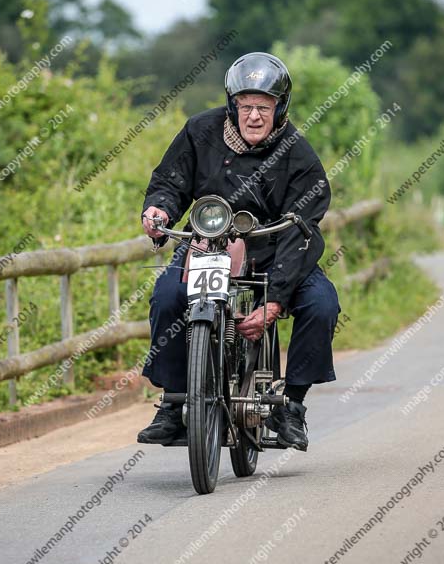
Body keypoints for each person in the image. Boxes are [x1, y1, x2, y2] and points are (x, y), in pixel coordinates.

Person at [137, 51, 340, 450]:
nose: (253, 117)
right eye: (246, 106)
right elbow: (170, 181)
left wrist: (275, 302)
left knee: (322, 303)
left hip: (277, 249)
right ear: (233, 105)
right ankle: (174, 403)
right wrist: (158, 207)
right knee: (167, 297)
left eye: (263, 107)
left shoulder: (297, 151)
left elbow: (303, 228)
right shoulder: (200, 131)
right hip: (209, 244)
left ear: (279, 108)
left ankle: (292, 406)